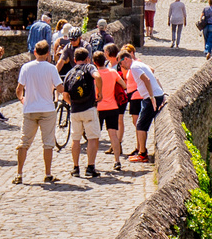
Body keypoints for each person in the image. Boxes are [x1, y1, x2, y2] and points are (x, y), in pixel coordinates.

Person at [14, 40, 64, 185]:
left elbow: (19, 88)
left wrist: (22, 99)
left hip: (30, 109)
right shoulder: (51, 69)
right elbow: (60, 88)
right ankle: (48, 173)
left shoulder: (26, 67)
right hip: (47, 109)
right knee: (48, 143)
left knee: (24, 142)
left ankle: (19, 173)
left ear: (35, 52)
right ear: (48, 53)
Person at [63, 47, 104, 177]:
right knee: (93, 138)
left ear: (74, 60)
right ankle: (90, 167)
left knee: (76, 139)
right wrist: (100, 92)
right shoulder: (89, 67)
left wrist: (72, 103)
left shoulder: (70, 73)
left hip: (75, 110)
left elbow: (65, 95)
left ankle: (75, 168)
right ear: (88, 58)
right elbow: (97, 76)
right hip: (89, 108)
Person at [119, 45, 165, 162]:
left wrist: (151, 97)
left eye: (120, 63)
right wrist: (162, 94)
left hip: (151, 98)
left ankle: (142, 154)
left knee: (140, 126)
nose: (121, 66)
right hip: (155, 96)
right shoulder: (140, 64)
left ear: (125, 59)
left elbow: (147, 80)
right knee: (140, 124)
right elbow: (154, 77)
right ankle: (141, 152)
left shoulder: (134, 67)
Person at [95, 43, 128, 171]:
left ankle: (92, 163)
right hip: (113, 106)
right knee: (113, 135)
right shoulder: (113, 72)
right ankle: (117, 160)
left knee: (95, 136)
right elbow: (124, 86)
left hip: (99, 107)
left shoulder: (95, 75)